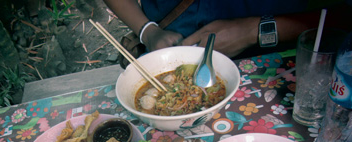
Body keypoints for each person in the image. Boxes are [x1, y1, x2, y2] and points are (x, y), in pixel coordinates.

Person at [103, 0, 352, 59]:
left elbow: (342, 17)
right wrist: (148, 30)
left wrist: (253, 30)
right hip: (172, 50)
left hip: (279, 61)